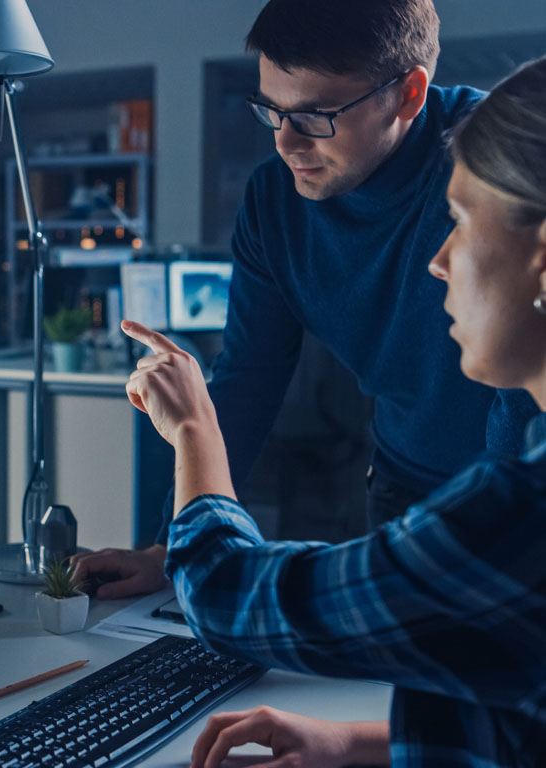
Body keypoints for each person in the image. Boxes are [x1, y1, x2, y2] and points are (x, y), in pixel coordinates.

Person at [121, 55, 546, 768]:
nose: (438, 261)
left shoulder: (518, 521)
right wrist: (352, 744)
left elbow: (227, 596)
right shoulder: (274, 202)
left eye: (462, 221)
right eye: (272, 111)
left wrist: (192, 429)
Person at [74, 0, 539, 600]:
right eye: (272, 111)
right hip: (403, 481)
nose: (287, 143)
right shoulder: (274, 204)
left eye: (317, 116)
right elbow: (249, 374)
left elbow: (527, 382)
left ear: (408, 95)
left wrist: (508, 530)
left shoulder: (492, 167)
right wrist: (169, 545)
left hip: (517, 481)